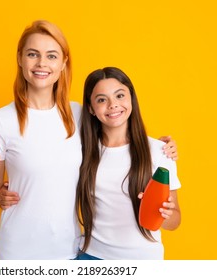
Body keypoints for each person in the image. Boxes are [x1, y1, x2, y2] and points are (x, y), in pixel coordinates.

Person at [0, 20, 178, 260]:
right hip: (17, 252)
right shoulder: (1, 120)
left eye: (52, 56)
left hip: (68, 251)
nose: (42, 63)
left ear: (64, 62)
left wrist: (160, 148)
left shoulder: (79, 115)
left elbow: (117, 135)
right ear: (20, 58)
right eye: (33, 54)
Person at [74, 67, 181, 260]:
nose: (113, 105)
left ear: (131, 98)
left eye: (120, 95)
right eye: (101, 99)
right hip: (91, 257)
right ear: (90, 108)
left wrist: (163, 212)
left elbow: (174, 222)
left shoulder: (159, 151)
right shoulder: (81, 151)